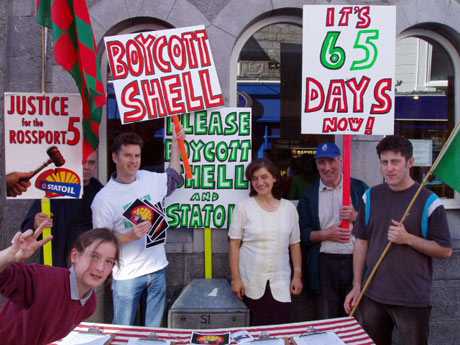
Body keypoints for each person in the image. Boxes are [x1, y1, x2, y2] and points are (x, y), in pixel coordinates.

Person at [344, 136, 452, 345]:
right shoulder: (371, 196)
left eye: (395, 162)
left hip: (412, 298)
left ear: (410, 162)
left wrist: (408, 238)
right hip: (373, 294)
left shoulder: (429, 201)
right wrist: (357, 285)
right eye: (384, 162)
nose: (389, 168)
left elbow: (445, 250)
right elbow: (361, 243)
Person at [91, 131, 183, 327]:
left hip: (158, 268)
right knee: (123, 331)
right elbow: (101, 242)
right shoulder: (104, 198)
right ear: (115, 157)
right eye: (127, 155)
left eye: (137, 155)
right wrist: (130, 236)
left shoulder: (149, 178)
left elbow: (174, 176)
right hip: (127, 275)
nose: (133, 161)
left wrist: (176, 144)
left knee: (154, 334)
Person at [0, 224, 119, 345]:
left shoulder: (89, 303)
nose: (100, 268)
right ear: (75, 256)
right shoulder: (44, 279)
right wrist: (9, 255)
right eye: (94, 256)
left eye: (109, 261)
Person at [228, 158, 303, 326]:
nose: (260, 182)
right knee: (255, 331)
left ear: (274, 178)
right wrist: (236, 279)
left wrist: (297, 275)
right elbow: (234, 244)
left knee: (280, 328)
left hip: (281, 280)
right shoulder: (243, 207)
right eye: (255, 179)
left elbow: (295, 244)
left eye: (264, 177)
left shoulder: (289, 209)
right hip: (250, 280)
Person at [297, 142, 367, 319]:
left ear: (341, 161)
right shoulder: (309, 193)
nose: (327, 167)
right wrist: (325, 234)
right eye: (322, 162)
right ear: (316, 164)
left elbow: (375, 225)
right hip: (323, 264)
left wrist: (355, 216)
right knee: (326, 317)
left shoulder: (359, 189)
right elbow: (301, 234)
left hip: (355, 262)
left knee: (354, 316)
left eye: (331, 161)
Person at [21, 151, 103, 267]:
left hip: (86, 267)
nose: (86, 167)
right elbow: (26, 228)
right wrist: (35, 223)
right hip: (54, 265)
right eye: (82, 162)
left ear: (96, 165)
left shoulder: (100, 193)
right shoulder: (54, 188)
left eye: (91, 163)